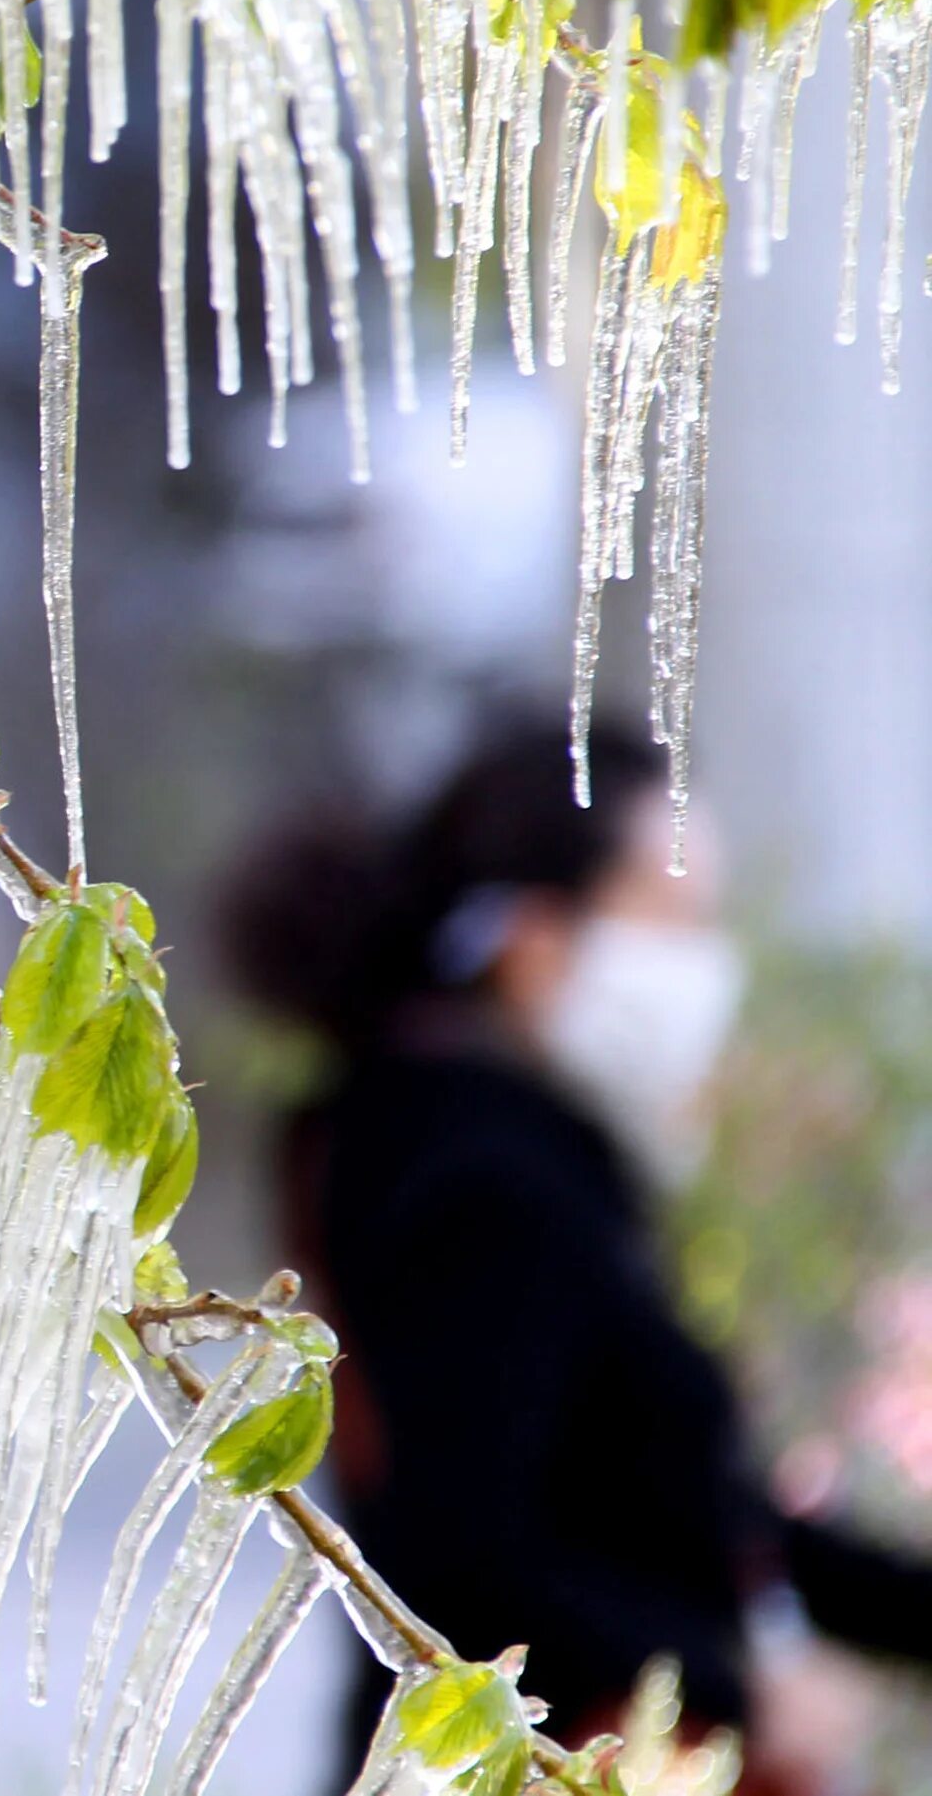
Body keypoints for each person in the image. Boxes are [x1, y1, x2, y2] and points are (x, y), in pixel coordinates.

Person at [222, 715, 932, 1795]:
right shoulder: (479, 1186)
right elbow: (463, 1562)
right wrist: (737, 1688)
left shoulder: (511, 1156)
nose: (708, 967)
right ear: (537, 942)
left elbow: (689, 1512)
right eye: (677, 917)